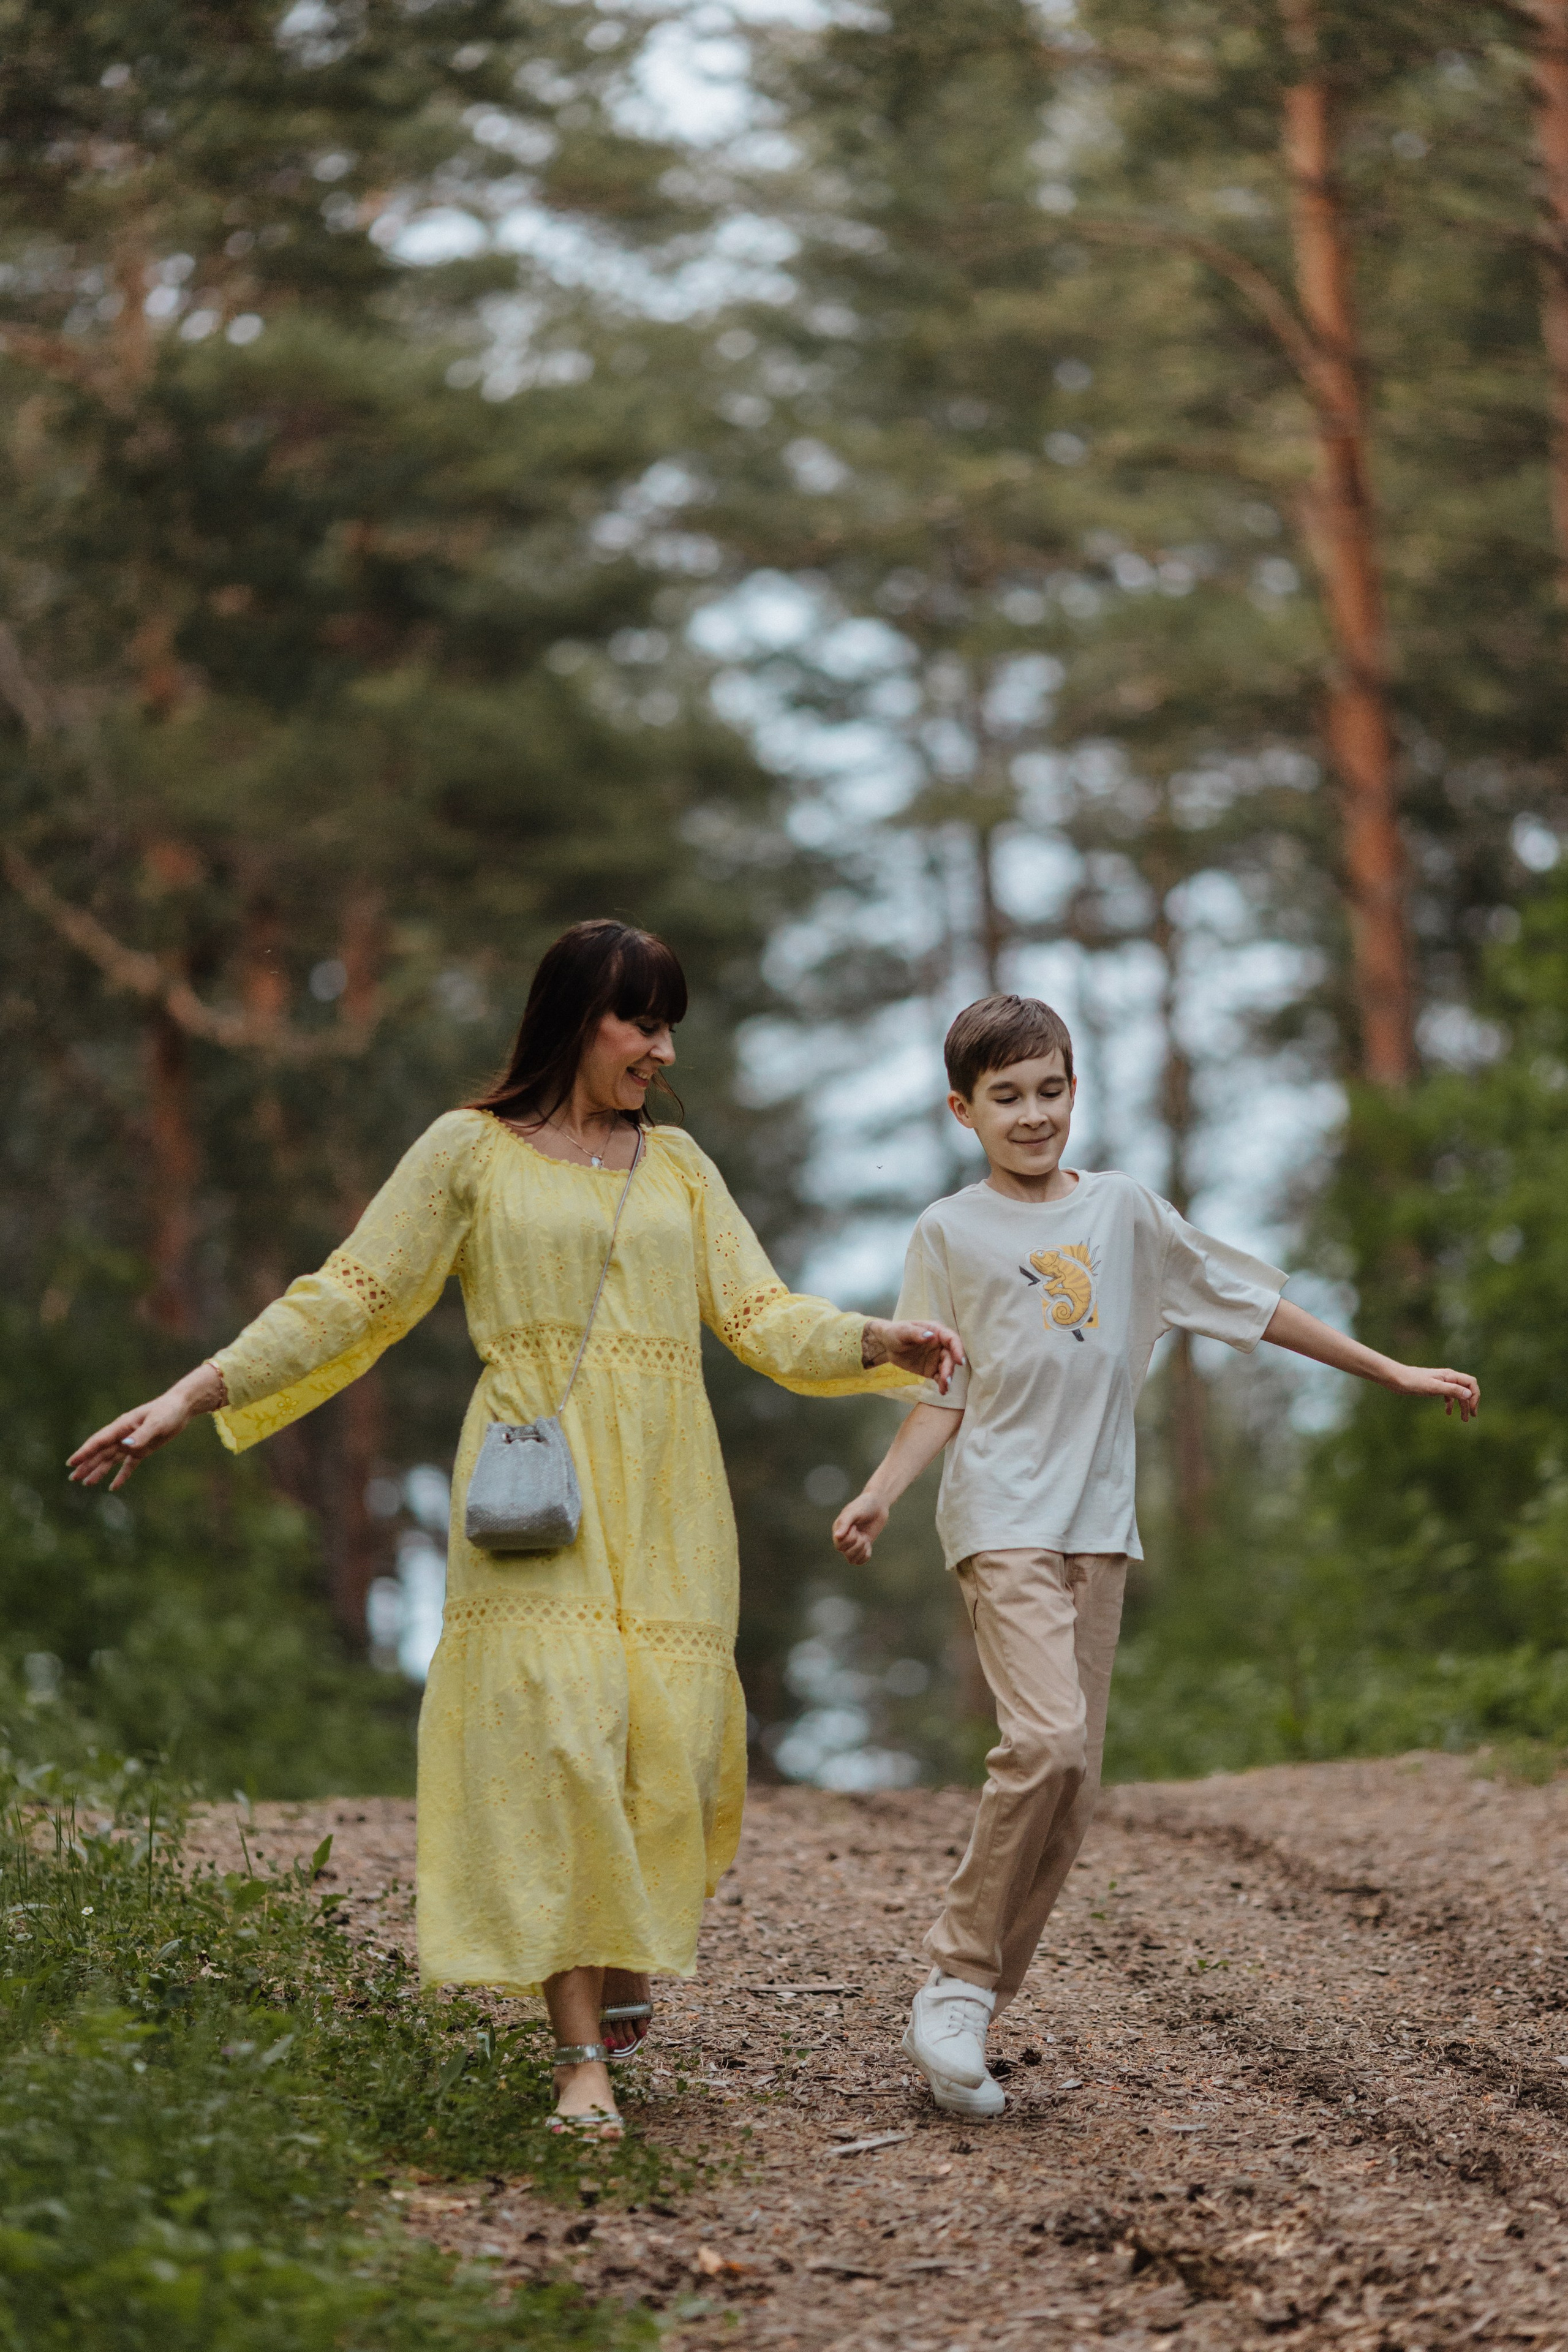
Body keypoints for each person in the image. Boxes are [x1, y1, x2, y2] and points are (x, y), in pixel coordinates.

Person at [68, 919, 962, 2140]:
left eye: (667, 1026)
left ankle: (624, 1935)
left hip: (664, 1490)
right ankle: (578, 2058)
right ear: (573, 1018)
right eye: (639, 1022)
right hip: (532, 1490)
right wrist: (194, 1390)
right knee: (552, 1736)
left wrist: (876, 1339)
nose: (660, 1049)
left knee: (671, 1743)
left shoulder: (681, 1168)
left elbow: (759, 1315)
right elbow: (355, 1294)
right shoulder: (468, 1152)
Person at [831, 993, 1480, 2121]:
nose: (1034, 1116)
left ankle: (972, 2010)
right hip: (999, 1517)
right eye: (1007, 1099)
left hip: (1099, 1529)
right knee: (1040, 1741)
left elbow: (1255, 1304)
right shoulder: (947, 1232)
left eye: (1051, 1091)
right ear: (962, 1110)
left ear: (1074, 1090)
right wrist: (881, 1494)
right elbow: (941, 1395)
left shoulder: (1128, 1213)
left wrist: (1391, 1372)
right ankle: (954, 1975)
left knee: (1074, 1783)